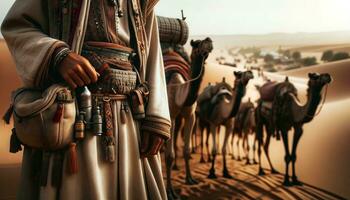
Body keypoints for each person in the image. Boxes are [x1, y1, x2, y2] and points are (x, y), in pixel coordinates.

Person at [1, 0, 170, 199]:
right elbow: (17, 26)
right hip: (72, 116)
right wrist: (58, 55)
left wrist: (156, 116)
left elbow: (151, 45)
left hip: (131, 120)